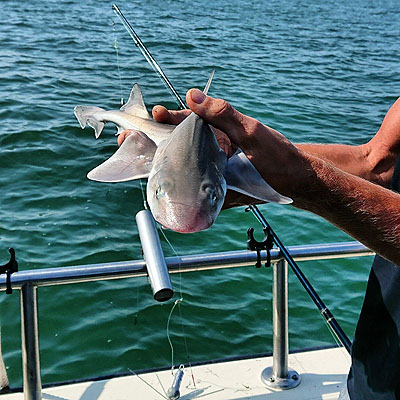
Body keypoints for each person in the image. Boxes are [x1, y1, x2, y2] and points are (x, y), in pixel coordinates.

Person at [120, 90, 400, 398]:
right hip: (369, 374)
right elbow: (377, 164)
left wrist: (305, 182)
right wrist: (254, 163)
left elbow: (322, 177)